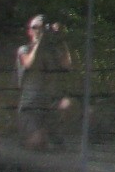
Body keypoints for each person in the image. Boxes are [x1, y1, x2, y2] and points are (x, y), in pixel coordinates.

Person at [16, 14, 75, 150]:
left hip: (49, 105)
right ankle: (36, 137)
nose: (39, 31)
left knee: (67, 104)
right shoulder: (24, 50)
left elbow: (67, 64)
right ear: (29, 31)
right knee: (37, 143)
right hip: (30, 107)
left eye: (41, 28)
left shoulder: (52, 52)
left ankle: (52, 134)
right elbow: (30, 63)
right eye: (35, 28)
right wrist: (40, 40)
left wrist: (60, 39)